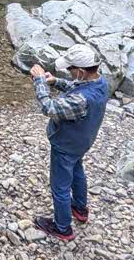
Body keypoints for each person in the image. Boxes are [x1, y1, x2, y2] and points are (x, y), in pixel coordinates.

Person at [29, 45, 109, 242]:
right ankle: (80, 208)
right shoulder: (100, 83)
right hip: (82, 141)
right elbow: (76, 87)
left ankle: (62, 227)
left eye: (70, 70)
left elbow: (50, 107)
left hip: (65, 145)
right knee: (77, 171)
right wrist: (55, 81)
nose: (69, 73)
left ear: (81, 71)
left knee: (60, 187)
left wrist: (40, 82)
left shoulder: (81, 100)